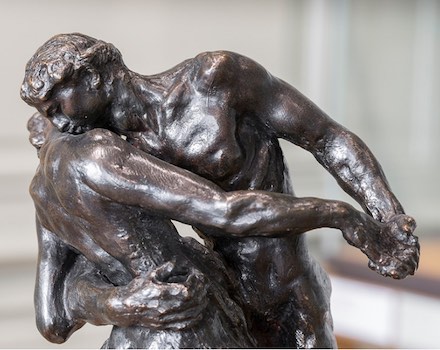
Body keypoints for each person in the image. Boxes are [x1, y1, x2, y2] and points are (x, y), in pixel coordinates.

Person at [21, 33, 419, 348]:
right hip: (213, 300)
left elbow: (327, 139)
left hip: (286, 290)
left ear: (94, 78)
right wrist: (119, 303)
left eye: (57, 104)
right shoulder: (105, 153)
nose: (55, 121)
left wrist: (388, 218)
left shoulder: (214, 80)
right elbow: (65, 292)